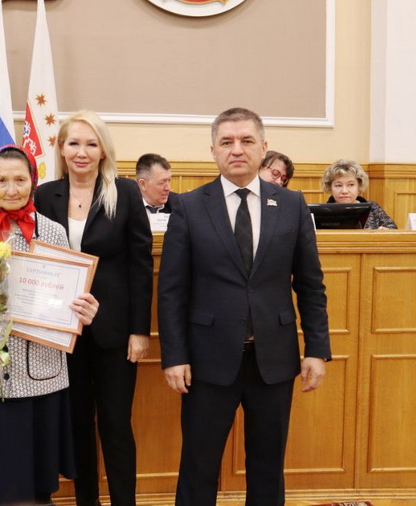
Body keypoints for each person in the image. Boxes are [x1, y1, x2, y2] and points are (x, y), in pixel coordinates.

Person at [158, 107, 331, 506]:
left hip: (274, 360)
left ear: (263, 147)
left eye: (247, 141)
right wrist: (175, 356)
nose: (237, 149)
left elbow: (310, 284)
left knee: (268, 466)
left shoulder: (292, 204)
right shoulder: (189, 206)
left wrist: (317, 349)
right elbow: (171, 290)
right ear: (213, 151)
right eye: (227, 142)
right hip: (207, 360)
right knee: (199, 464)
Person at [0, 145, 99, 506]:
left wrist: (83, 310)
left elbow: (68, 297)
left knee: (35, 487)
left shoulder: (54, 232)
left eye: (20, 180)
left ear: (33, 182)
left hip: (41, 377)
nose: (11, 190)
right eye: (2, 181)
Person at [34, 110, 153, 506]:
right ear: (61, 148)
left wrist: (139, 331)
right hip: (62, 331)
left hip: (114, 332)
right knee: (77, 424)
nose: (81, 152)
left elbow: (140, 266)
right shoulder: (45, 195)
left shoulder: (125, 192)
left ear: (103, 150)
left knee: (116, 425)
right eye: (73, 143)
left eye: (91, 143)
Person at [322, 159, 397, 229]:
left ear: (359, 186)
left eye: (351, 185)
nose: (344, 191)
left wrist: (385, 232)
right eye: (338, 185)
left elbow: (394, 231)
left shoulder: (373, 208)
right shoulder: (324, 211)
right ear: (330, 187)